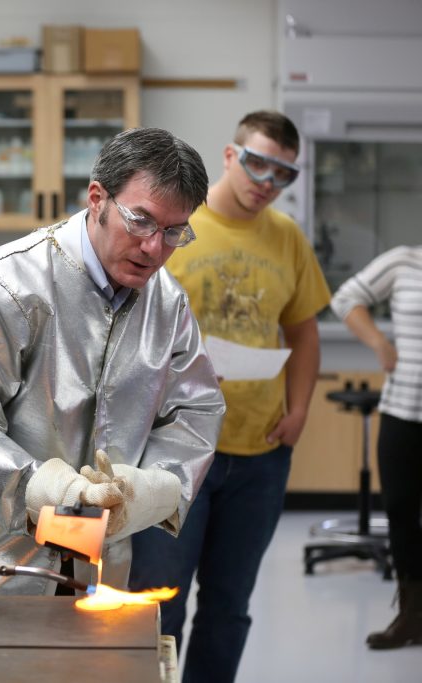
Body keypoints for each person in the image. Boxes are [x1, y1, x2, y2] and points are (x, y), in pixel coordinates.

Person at [0, 127, 226, 594]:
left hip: (94, 565)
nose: (154, 248)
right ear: (97, 199)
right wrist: (39, 486)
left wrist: (153, 489)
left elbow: (196, 410)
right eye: (141, 221)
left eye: (173, 232)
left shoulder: (167, 305)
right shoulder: (0, 287)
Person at [128, 110, 331, 682]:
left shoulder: (288, 238)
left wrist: (299, 411)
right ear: (229, 155)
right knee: (158, 601)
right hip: (174, 452)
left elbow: (303, 331)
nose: (267, 180)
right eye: (258, 162)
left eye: (283, 173)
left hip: (260, 454)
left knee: (228, 607)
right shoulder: (177, 225)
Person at [330, 246, 422, 649]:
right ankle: (411, 616)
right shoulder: (404, 261)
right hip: (403, 410)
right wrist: (380, 344)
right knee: (402, 514)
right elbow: (346, 297)